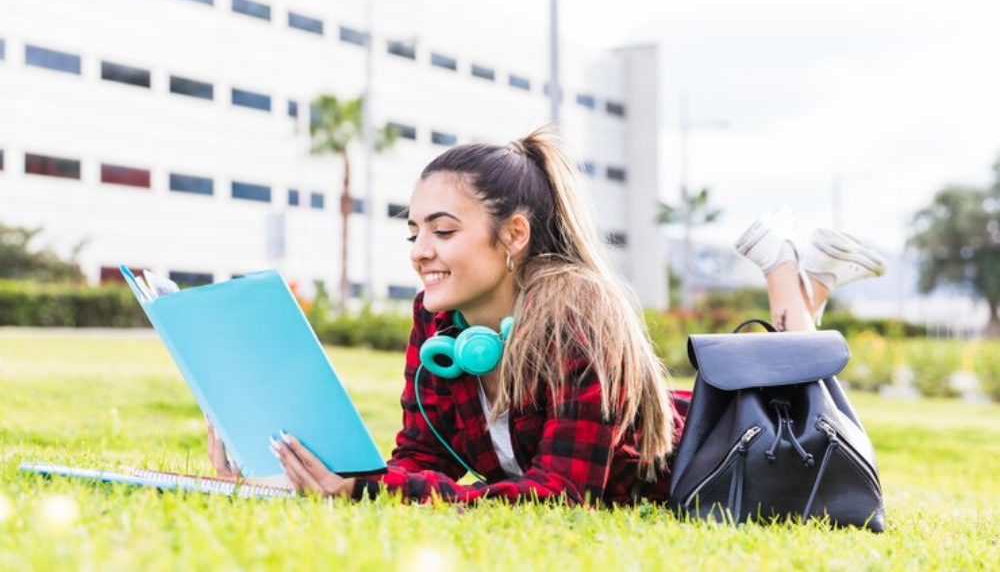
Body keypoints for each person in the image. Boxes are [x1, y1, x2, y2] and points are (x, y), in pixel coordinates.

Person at [206, 128, 887, 506]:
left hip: (719, 453)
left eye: (442, 231)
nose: (419, 252)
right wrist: (305, 472)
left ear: (513, 236)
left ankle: (787, 275)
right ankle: (811, 279)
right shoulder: (437, 321)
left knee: (803, 415)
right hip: (689, 437)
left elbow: (559, 495)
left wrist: (373, 492)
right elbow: (419, 458)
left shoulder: (578, 315)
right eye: (412, 230)